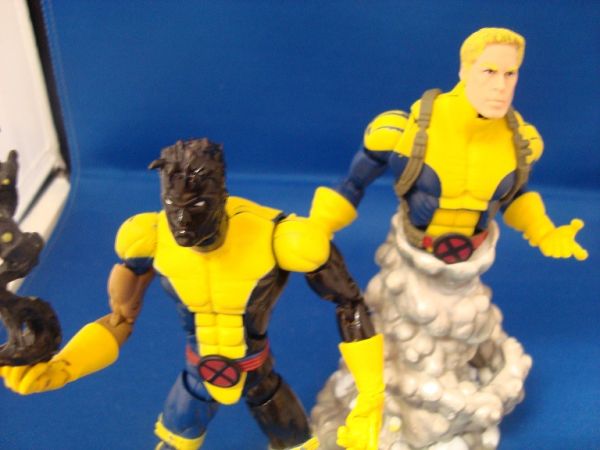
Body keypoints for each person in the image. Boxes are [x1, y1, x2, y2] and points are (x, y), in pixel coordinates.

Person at [1, 138, 383, 450]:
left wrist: (370, 395)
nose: (183, 222)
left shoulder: (278, 237)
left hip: (259, 375)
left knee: (297, 444)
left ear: (220, 195)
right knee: (172, 443)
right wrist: (64, 367)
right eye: (174, 206)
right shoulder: (148, 237)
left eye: (198, 206)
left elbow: (349, 302)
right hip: (197, 375)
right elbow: (119, 320)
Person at [309, 27, 587, 263]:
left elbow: (514, 194)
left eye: (510, 73)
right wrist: (319, 226)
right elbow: (353, 183)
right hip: (411, 258)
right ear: (465, 70)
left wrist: (544, 232)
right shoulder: (406, 131)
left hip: (473, 263)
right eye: (489, 71)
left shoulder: (521, 142)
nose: (501, 86)